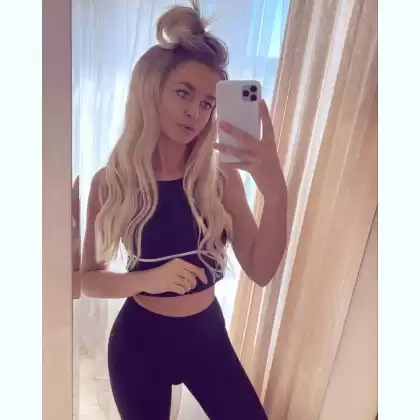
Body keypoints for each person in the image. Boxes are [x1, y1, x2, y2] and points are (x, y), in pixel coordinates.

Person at [80, 1, 287, 419]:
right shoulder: (112, 182)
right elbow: (89, 280)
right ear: (150, 91)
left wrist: (276, 192)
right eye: (183, 93)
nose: (196, 112)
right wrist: (149, 279)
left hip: (206, 335)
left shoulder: (220, 179)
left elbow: (262, 271)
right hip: (139, 344)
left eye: (208, 103)